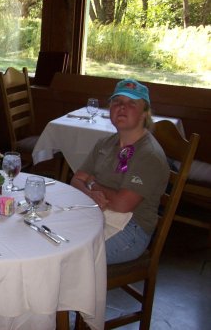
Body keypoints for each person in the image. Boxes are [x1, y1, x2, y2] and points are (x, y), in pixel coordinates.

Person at [71, 79, 170, 264]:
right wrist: (90, 192)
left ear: (144, 113)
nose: (121, 108)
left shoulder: (149, 155)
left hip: (131, 230)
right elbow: (76, 180)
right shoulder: (105, 143)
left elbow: (122, 204)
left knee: (71, 258)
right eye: (117, 102)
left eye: (132, 103)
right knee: (53, 238)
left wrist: (92, 183)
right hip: (95, 214)